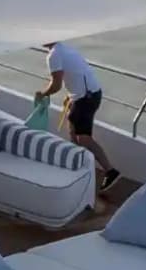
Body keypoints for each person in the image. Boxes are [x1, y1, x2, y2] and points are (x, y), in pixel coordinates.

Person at [45, 36, 117, 192]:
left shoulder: (53, 55)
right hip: (86, 94)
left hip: (86, 97)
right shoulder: (64, 49)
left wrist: (42, 94)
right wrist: (70, 97)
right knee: (72, 129)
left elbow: (56, 84)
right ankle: (78, 165)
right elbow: (76, 74)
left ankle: (110, 171)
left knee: (83, 138)